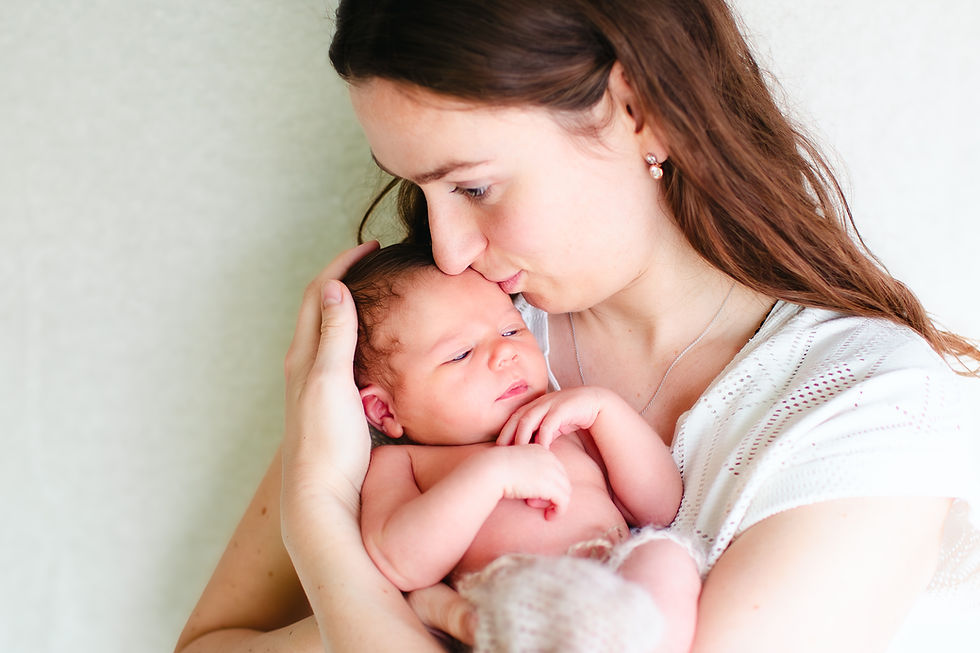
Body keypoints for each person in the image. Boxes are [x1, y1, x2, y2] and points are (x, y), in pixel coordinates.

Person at [175, 1, 980, 652]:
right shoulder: (427, 342)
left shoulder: (865, 411)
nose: (448, 247)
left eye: (477, 187)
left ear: (640, 111)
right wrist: (319, 509)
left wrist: (327, 540)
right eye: (423, 190)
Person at [345, 243, 700, 652]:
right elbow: (401, 564)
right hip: (514, 606)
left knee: (667, 556)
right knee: (433, 608)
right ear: (383, 410)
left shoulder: (558, 421)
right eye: (461, 354)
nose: (506, 353)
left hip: (615, 580)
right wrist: (491, 477)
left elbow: (661, 507)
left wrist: (605, 410)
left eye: (511, 330)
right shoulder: (402, 462)